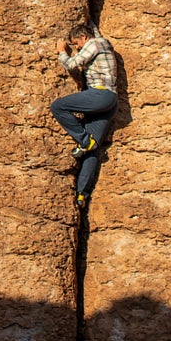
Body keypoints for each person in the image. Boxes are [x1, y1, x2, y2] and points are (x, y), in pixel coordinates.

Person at [50, 23, 119, 210]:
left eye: (76, 43)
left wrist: (62, 51)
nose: (77, 47)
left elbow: (73, 64)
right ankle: (82, 194)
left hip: (99, 95)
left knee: (58, 106)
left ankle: (83, 140)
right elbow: (94, 32)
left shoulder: (93, 44)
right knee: (93, 151)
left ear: (83, 37)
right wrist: (92, 25)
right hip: (111, 100)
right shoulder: (104, 43)